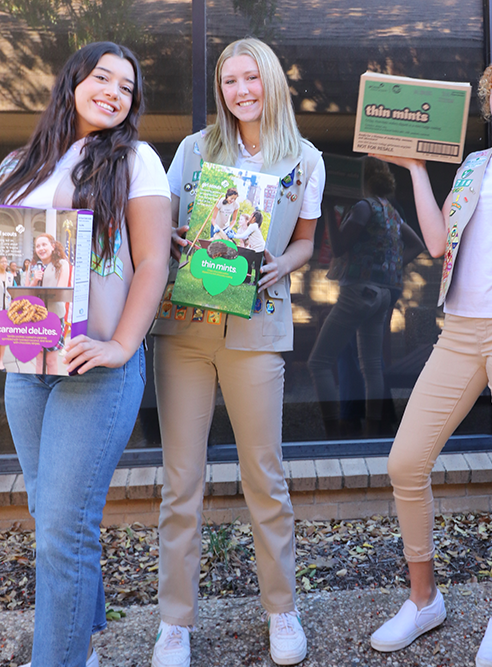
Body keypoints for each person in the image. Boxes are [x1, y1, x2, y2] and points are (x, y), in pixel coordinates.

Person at [0, 41, 171, 667]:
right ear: (74, 82)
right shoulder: (19, 163)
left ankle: (58, 657)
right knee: (49, 512)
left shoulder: (136, 161)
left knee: (63, 525)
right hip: (27, 365)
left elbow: (153, 263)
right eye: (102, 77)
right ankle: (81, 630)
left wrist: (121, 345)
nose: (113, 91)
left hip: (96, 369)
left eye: (126, 87)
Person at [150, 36, 325, 667]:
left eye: (251, 78)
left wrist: (283, 264)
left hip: (257, 329)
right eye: (229, 81)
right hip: (186, 330)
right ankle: (175, 623)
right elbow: (161, 220)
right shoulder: (195, 150)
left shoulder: (303, 159)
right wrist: (168, 234)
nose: (241, 91)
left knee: (265, 478)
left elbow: (306, 241)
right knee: (180, 483)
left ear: (271, 81)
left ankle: (282, 610)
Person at [369, 49, 492, 667]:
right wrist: (418, 170)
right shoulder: (473, 164)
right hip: (460, 330)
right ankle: (424, 601)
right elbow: (441, 243)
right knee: (405, 460)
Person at [307, 157, 424, 438]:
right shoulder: (391, 210)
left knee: (319, 363)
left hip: (358, 291)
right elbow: (417, 244)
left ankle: (333, 430)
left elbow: (338, 248)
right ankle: (374, 431)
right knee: (371, 366)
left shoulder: (363, 207)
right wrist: (391, 267)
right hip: (383, 293)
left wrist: (327, 208)